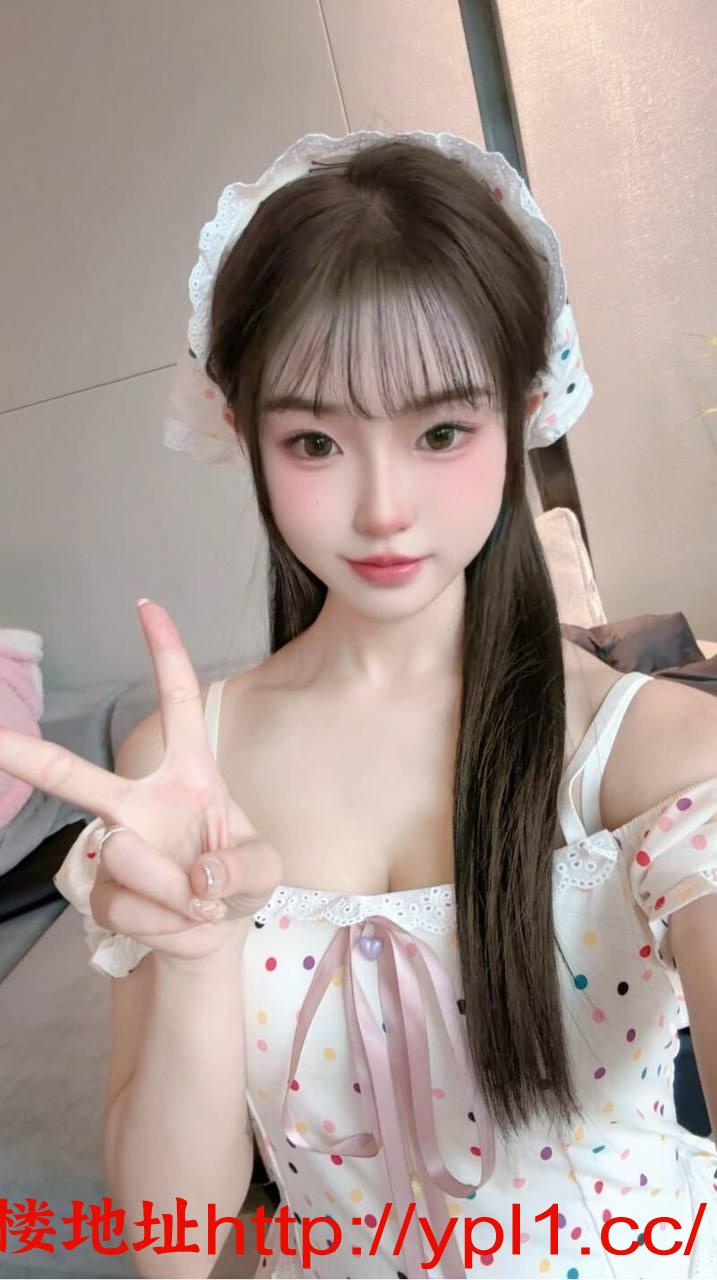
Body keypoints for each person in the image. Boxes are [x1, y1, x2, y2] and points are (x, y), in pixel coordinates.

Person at [1, 130, 716, 1280]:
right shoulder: (186, 763)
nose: (383, 506)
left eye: (441, 431)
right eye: (316, 440)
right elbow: (173, 1251)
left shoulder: (653, 755)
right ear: (243, 431)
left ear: (526, 408)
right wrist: (198, 947)